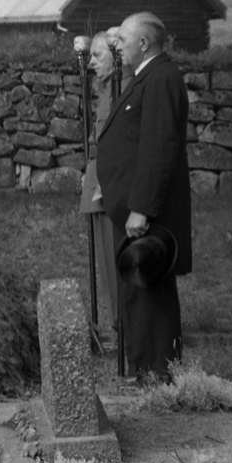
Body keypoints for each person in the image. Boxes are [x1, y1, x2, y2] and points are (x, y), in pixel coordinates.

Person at [97, 12, 192, 382]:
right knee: (138, 289)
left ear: (143, 43)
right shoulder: (147, 77)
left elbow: (158, 148)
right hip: (132, 209)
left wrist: (141, 208)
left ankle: (158, 376)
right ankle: (146, 371)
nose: (116, 45)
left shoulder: (162, 78)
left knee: (150, 288)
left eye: (122, 39)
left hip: (146, 213)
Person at [78, 32, 133, 332]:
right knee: (104, 250)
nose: (92, 63)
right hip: (98, 175)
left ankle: (123, 320)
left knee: (116, 250)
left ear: (117, 54)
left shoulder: (125, 88)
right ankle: (117, 319)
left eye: (98, 56)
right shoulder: (106, 89)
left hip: (112, 179)